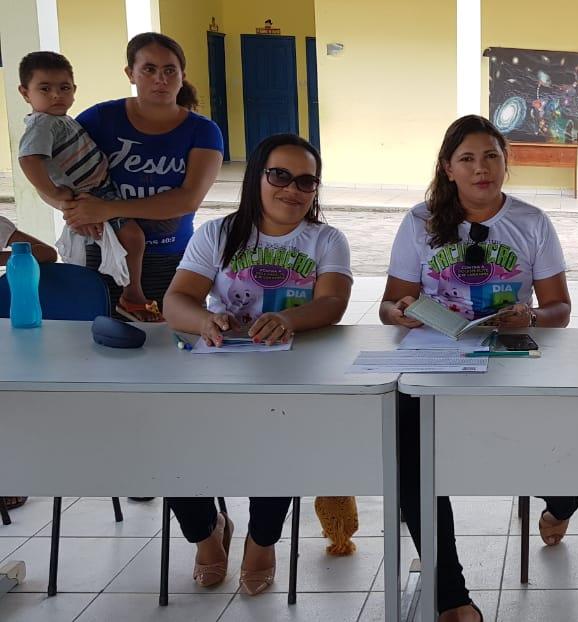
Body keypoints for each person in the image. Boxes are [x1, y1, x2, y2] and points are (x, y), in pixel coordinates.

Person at [381, 114, 574, 622]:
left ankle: (563, 504)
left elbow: (560, 309)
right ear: (448, 168)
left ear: (506, 164)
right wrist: (402, 310)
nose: (480, 168)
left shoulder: (531, 222)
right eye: (467, 158)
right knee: (411, 462)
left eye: (491, 156)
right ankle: (452, 597)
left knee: (547, 455)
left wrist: (530, 315)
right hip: (435, 360)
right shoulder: (419, 222)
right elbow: (389, 304)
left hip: (508, 358)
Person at [162, 134, 351, 593]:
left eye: (306, 181)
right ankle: (206, 533)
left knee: (279, 446)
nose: (293, 189)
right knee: (166, 440)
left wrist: (288, 319)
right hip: (219, 370)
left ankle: (261, 541)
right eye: (280, 176)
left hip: (294, 378)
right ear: (257, 178)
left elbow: (332, 304)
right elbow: (176, 301)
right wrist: (206, 319)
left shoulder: (326, 239)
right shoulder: (219, 233)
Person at [55, 32, 222, 323]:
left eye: (170, 70)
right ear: (130, 73)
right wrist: (68, 207)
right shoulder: (99, 119)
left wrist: (108, 209)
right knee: (98, 342)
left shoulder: (203, 131)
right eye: (149, 69)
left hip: (172, 258)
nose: (161, 78)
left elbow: (187, 198)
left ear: (182, 75)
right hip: (104, 253)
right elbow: (56, 170)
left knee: (169, 346)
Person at [15, 51, 154, 320]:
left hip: (100, 191)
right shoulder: (42, 125)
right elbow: (29, 160)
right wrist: (56, 193)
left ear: (74, 90)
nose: (56, 95)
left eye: (64, 88)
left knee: (121, 242)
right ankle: (132, 294)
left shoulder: (60, 120)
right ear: (25, 92)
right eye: (45, 88)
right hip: (91, 195)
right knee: (133, 238)